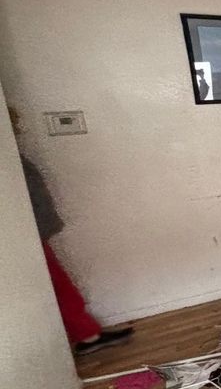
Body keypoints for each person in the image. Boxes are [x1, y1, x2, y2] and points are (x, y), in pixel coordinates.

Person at [9, 107, 133, 355]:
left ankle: (87, 334)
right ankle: (86, 336)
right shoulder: (8, 163)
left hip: (33, 235)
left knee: (59, 285)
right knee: (57, 285)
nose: (18, 128)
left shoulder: (11, 158)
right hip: (23, 237)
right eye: (14, 122)